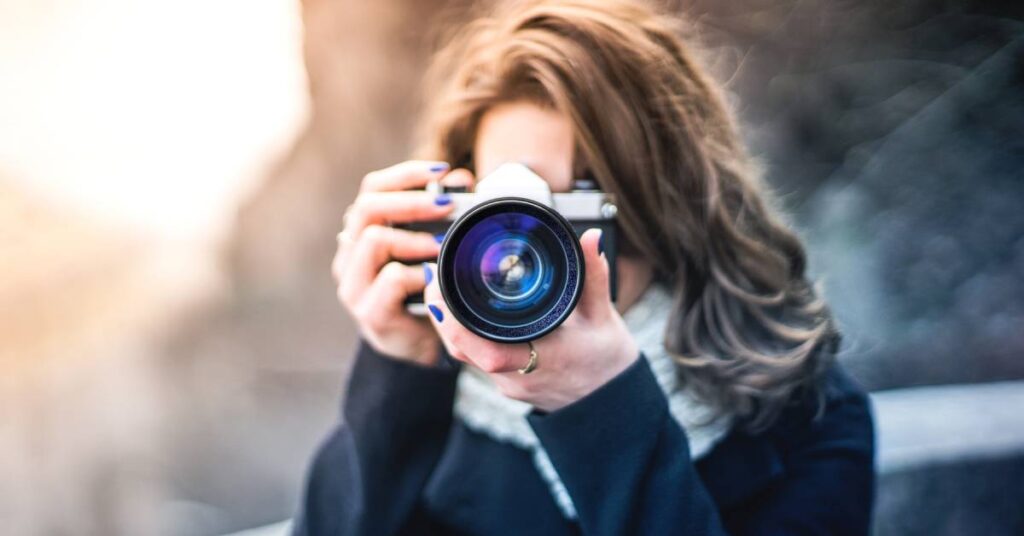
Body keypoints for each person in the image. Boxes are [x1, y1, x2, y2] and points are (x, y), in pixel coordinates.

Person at [295, 0, 874, 534]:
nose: (535, 244)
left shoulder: (808, 413)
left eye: (578, 203)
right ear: (459, 210)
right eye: (513, 207)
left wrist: (602, 407)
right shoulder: (437, 399)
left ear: (671, 203)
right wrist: (397, 370)